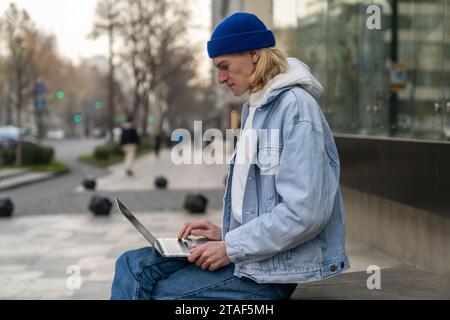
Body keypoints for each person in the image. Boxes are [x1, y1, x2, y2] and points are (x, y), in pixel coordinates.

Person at [111, 12, 349, 300]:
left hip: (271, 271)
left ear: (253, 54)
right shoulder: (255, 107)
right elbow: (263, 202)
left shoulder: (296, 108)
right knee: (130, 264)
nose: (220, 78)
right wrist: (223, 233)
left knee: (159, 293)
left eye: (224, 66)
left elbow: (304, 214)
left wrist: (230, 247)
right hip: (250, 254)